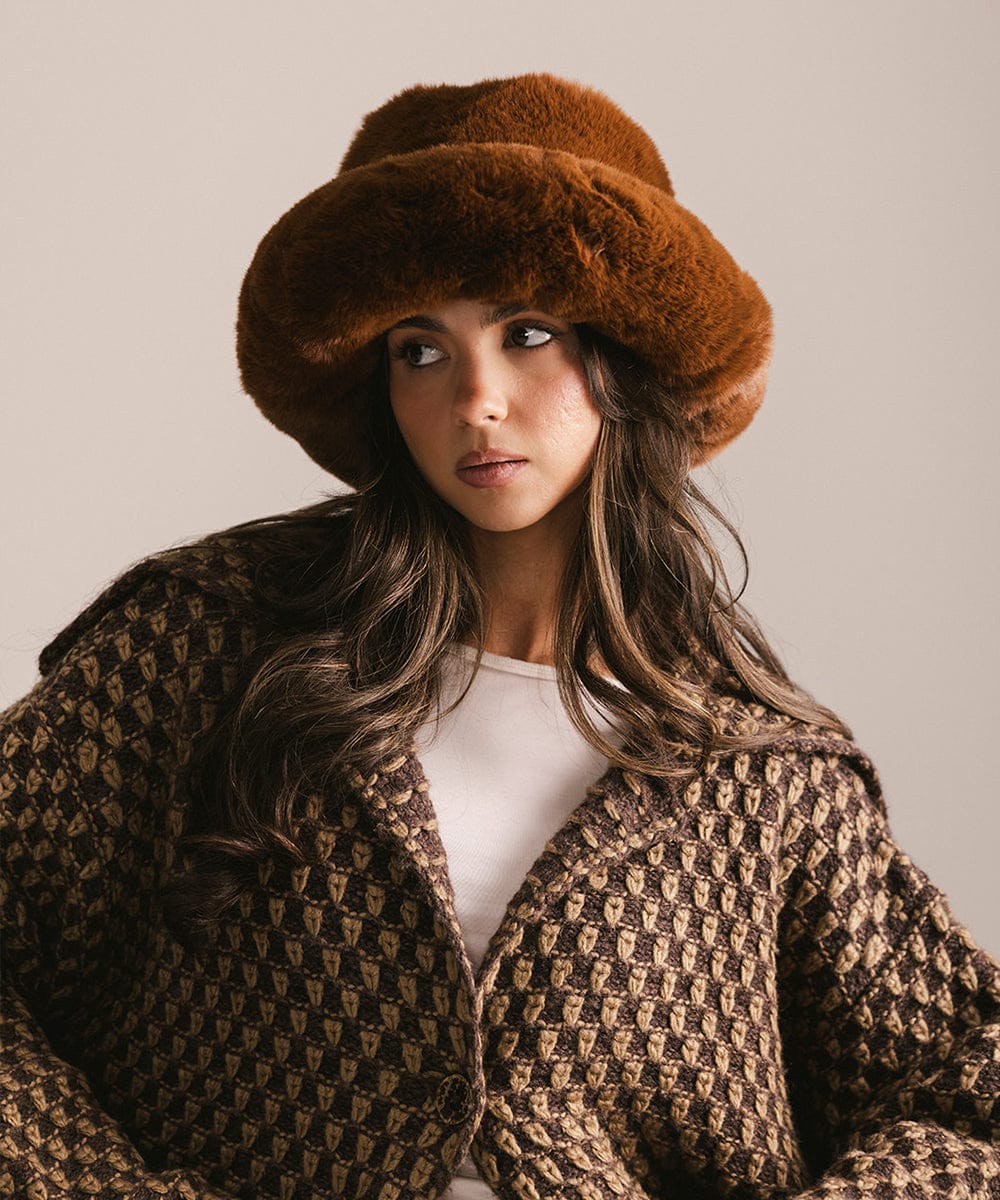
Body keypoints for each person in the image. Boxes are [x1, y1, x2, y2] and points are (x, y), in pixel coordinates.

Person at [1, 72, 997, 1200]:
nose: (475, 397)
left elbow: (970, 1095)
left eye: (528, 334)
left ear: (624, 361)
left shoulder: (760, 776)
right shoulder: (209, 644)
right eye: (418, 350)